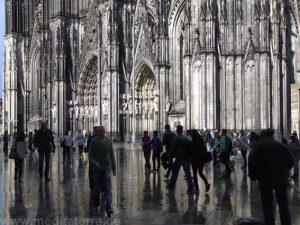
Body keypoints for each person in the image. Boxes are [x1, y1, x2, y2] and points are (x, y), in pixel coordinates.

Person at [248, 128, 293, 225]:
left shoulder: (258, 148)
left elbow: (251, 163)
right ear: (272, 136)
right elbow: (290, 162)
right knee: (283, 204)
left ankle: (270, 222)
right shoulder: (281, 146)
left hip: (264, 180)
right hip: (280, 179)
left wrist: (253, 176)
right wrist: (284, 172)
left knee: (267, 204)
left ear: (262, 137)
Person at [89, 126, 116, 216]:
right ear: (97, 132)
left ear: (105, 132)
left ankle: (108, 206)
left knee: (108, 188)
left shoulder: (108, 142)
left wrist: (114, 168)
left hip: (107, 168)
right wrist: (95, 163)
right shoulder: (93, 142)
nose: (102, 133)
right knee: (96, 189)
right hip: (96, 169)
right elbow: (90, 156)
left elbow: (112, 155)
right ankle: (96, 204)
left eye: (103, 131)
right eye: (100, 131)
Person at [166, 125, 194, 194]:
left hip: (179, 157)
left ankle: (171, 185)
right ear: (182, 130)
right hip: (186, 157)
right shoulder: (185, 138)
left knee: (175, 172)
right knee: (188, 174)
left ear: (177, 130)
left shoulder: (177, 138)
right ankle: (191, 188)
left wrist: (170, 155)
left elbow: (173, 148)